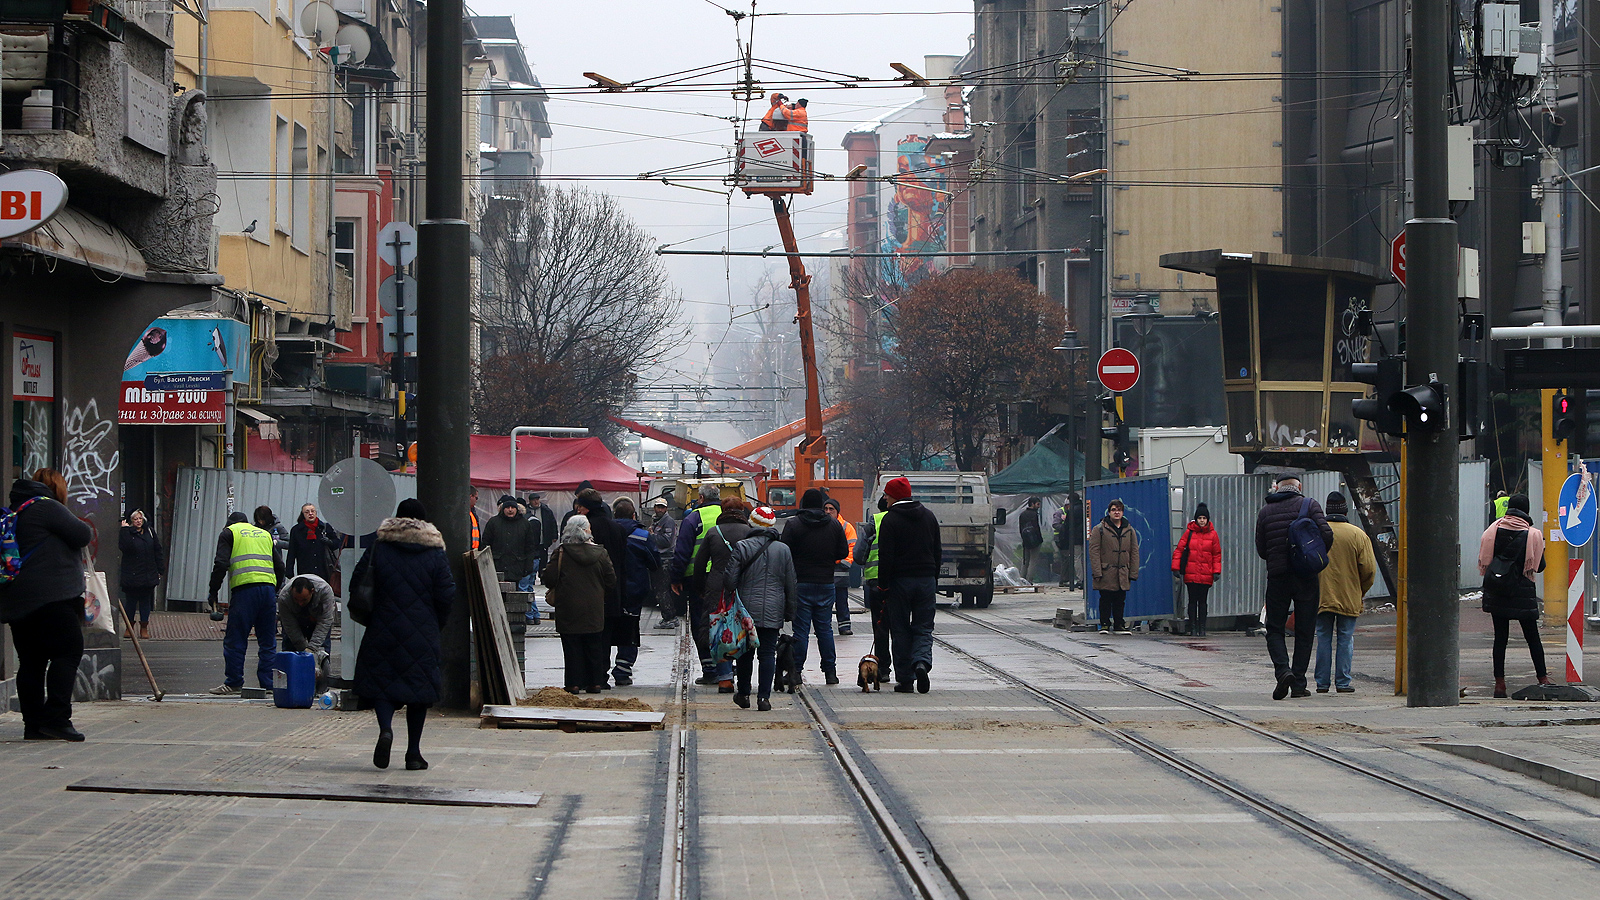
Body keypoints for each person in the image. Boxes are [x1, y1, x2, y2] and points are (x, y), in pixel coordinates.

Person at [352, 499, 455, 770]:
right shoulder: (434, 552)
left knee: (383, 683)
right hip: (422, 629)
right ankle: (413, 754)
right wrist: (436, 622)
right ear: (424, 522)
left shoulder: (379, 547)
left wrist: (372, 615)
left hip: (383, 626)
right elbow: (447, 593)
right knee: (418, 690)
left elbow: (357, 581)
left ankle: (386, 730)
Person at [0, 469, 91, 741]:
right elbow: (83, 534)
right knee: (69, 651)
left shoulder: (16, 511)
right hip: (52, 597)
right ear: (56, 488)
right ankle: (57, 719)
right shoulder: (46, 507)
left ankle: (34, 724)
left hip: (18, 599)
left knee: (31, 661)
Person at [1255, 474, 1333, 700]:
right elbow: (1327, 534)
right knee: (1305, 630)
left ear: (1277, 488)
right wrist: (1312, 555)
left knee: (1275, 628)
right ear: (1300, 487)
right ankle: (1298, 683)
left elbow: (1261, 550)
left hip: (1278, 577)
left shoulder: (1265, 512)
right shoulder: (1310, 505)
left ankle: (1283, 672)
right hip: (1306, 576)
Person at [1478, 493, 1551, 698]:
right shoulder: (1533, 534)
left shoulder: (1493, 530)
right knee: (1532, 638)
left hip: (1498, 589)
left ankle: (1499, 685)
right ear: (1526, 511)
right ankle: (1542, 679)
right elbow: (1540, 567)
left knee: (1500, 639)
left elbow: (1485, 559)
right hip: (1522, 593)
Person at [207, 510, 287, 695]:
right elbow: (280, 566)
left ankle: (234, 682)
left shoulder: (229, 533)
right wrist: (273, 589)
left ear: (229, 524)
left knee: (236, 639)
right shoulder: (264, 534)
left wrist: (213, 592)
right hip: (267, 590)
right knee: (267, 640)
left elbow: (221, 564)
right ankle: (268, 684)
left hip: (245, 592)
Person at [876, 476, 941, 693]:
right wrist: (934, 579)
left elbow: (886, 557)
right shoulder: (929, 517)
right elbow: (937, 551)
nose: (884, 498)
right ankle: (921, 662)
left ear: (894, 496)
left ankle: (905, 679)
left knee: (901, 629)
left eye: (886, 494)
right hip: (926, 581)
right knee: (923, 627)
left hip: (899, 583)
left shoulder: (890, 520)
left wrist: (883, 586)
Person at [728, 505, 797, 711]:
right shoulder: (783, 549)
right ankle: (764, 698)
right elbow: (790, 584)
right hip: (774, 608)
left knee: (745, 653)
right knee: (768, 654)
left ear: (751, 523)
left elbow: (730, 581)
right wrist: (790, 611)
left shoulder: (741, 547)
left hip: (746, 610)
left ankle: (744, 694)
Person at [781, 488, 849, 685]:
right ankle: (830, 672)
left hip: (801, 583)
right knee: (825, 629)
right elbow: (843, 551)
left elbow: (785, 552)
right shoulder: (834, 525)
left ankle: (795, 672)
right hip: (826, 583)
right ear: (821, 505)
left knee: (800, 630)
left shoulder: (793, 524)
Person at [544, 514, 617, 694]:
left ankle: (573, 684)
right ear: (586, 531)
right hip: (594, 608)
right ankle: (594, 683)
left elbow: (549, 578)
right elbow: (611, 580)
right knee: (594, 645)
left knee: (571, 647)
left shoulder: (561, 552)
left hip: (568, 608)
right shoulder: (601, 553)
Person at [1315, 492, 1376, 694]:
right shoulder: (1357, 535)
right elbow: (1368, 569)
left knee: (1323, 637)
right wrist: (1360, 590)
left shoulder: (1316, 532)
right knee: (1345, 638)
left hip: (1321, 595)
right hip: (1349, 595)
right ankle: (1343, 682)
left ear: (1327, 509)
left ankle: (1322, 683)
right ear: (1345, 510)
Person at [672, 483, 727, 684]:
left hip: (699, 580)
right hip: (727, 577)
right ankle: (727, 668)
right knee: (725, 620)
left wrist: (676, 578)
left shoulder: (693, 518)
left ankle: (710, 669)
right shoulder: (727, 514)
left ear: (701, 498)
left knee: (701, 622)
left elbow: (682, 550)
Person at [576, 488, 629, 688]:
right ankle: (601, 676)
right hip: (612, 590)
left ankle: (587, 676)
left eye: (580, 506)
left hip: (589, 591)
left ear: (586, 508)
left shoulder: (585, 528)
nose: (578, 510)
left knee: (587, 635)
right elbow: (623, 563)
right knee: (605, 636)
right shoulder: (617, 529)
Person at [699, 497, 753, 691]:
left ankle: (724, 678)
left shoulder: (714, 533)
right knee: (742, 627)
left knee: (721, 630)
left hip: (718, 586)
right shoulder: (750, 532)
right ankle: (744, 673)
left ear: (723, 510)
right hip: (744, 585)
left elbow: (700, 563)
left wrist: (699, 589)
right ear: (741, 511)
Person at [611, 497, 660, 687]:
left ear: (614, 514)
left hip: (608, 589)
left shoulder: (604, 532)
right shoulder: (641, 535)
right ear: (633, 515)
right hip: (634, 589)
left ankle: (600, 670)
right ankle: (623, 670)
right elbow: (654, 563)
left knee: (606, 627)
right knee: (630, 628)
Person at [854, 495, 893, 685]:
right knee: (901, 628)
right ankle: (906, 669)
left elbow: (859, 556)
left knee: (880, 628)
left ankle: (883, 670)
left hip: (876, 583)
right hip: (899, 582)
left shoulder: (873, 524)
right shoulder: (907, 522)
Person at [1089, 499, 1139, 634]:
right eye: (1113, 510)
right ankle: (1104, 624)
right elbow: (1094, 551)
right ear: (1109, 512)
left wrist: (1133, 572)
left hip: (1123, 571)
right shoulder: (1099, 529)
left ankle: (1119, 624)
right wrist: (1097, 571)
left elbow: (1134, 551)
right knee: (1105, 598)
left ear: (1122, 512)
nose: (1116, 512)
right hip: (1106, 571)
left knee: (1120, 599)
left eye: (1119, 510)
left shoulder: (1129, 530)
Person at [278, 574, 335, 691]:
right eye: (296, 599)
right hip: (296, 620)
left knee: (322, 650)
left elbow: (325, 622)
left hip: (317, 619)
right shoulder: (284, 597)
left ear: (312, 592)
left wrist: (312, 650)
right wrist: (304, 653)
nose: (300, 603)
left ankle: (321, 686)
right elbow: (290, 627)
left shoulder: (325, 591)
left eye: (304, 599)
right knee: (290, 651)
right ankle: (293, 686)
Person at [1171, 503, 1221, 636]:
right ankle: (1193, 627)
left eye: (1204, 518)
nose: (1202, 521)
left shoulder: (1213, 535)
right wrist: (1175, 567)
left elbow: (1216, 554)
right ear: (1196, 519)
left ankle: (1202, 628)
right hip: (1191, 573)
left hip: (1206, 574)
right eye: (1200, 518)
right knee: (1192, 601)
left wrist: (1216, 571)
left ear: (1208, 519)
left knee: (1203, 602)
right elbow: (1179, 550)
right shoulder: (1189, 533)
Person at [118, 508, 164, 640]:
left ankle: (144, 627)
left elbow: (157, 550)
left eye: (140, 518)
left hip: (148, 573)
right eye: (135, 519)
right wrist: (124, 530)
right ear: (130, 521)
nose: (138, 521)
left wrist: (160, 569)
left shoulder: (149, 531)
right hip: (131, 573)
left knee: (145, 601)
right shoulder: (127, 533)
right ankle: (129, 627)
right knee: (131, 602)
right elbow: (125, 547)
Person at [481, 495, 538, 593]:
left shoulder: (524, 524)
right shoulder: (493, 522)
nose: (510, 510)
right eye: (507, 507)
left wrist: (528, 566)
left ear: (517, 509)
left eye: (512, 507)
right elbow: (485, 544)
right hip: (497, 566)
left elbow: (529, 547)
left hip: (517, 566)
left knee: (514, 596)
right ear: (503, 509)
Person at [288, 503, 344, 590]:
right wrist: (289, 570)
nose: (310, 513)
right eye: (307, 512)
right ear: (303, 515)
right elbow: (292, 551)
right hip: (305, 569)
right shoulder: (296, 530)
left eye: (312, 511)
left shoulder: (325, 528)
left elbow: (337, 543)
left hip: (323, 569)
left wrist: (330, 542)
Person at [825, 497, 857, 635]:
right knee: (825, 603)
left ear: (837, 511)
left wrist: (845, 562)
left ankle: (844, 626)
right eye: (825, 509)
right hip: (825, 570)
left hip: (840, 571)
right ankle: (825, 627)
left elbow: (852, 546)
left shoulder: (846, 527)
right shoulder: (821, 525)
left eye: (831, 509)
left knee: (841, 601)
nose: (827, 511)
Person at [650, 498, 680, 627]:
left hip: (666, 559)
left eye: (662, 507)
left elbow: (667, 541)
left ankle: (669, 617)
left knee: (662, 590)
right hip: (659, 559)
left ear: (666, 508)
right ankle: (669, 616)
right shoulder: (657, 521)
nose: (660, 509)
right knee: (661, 589)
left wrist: (651, 536)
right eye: (658, 507)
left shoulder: (668, 521)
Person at [1056, 492, 1083, 589]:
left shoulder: (1072, 511)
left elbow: (1067, 526)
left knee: (1077, 558)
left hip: (1075, 538)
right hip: (1085, 537)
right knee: (1084, 558)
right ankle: (1085, 579)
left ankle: (1081, 579)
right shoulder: (1084, 507)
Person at [1019, 497, 1044, 583]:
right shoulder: (1034, 515)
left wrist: (1024, 539)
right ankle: (1029, 580)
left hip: (1026, 541)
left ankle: (1021, 579)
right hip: (1035, 541)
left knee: (1025, 561)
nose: (1039, 506)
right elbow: (1036, 528)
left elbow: (1020, 528)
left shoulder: (1022, 514)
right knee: (1033, 561)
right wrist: (1039, 540)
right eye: (1037, 504)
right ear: (1032, 504)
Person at [469, 486, 482, 551]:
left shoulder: (472, 513)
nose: (476, 501)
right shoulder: (465, 514)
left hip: (474, 551)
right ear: (470, 496)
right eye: (476, 498)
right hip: (469, 551)